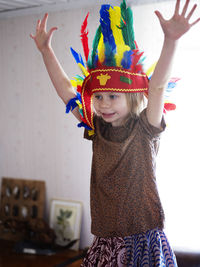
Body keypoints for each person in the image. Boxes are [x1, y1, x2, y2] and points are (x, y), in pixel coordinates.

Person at [30, 0, 200, 266]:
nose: (103, 103)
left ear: (132, 97)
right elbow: (66, 91)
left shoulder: (145, 127)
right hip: (105, 239)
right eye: (97, 96)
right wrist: (45, 51)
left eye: (112, 96)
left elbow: (156, 88)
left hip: (142, 238)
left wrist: (172, 41)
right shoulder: (96, 128)